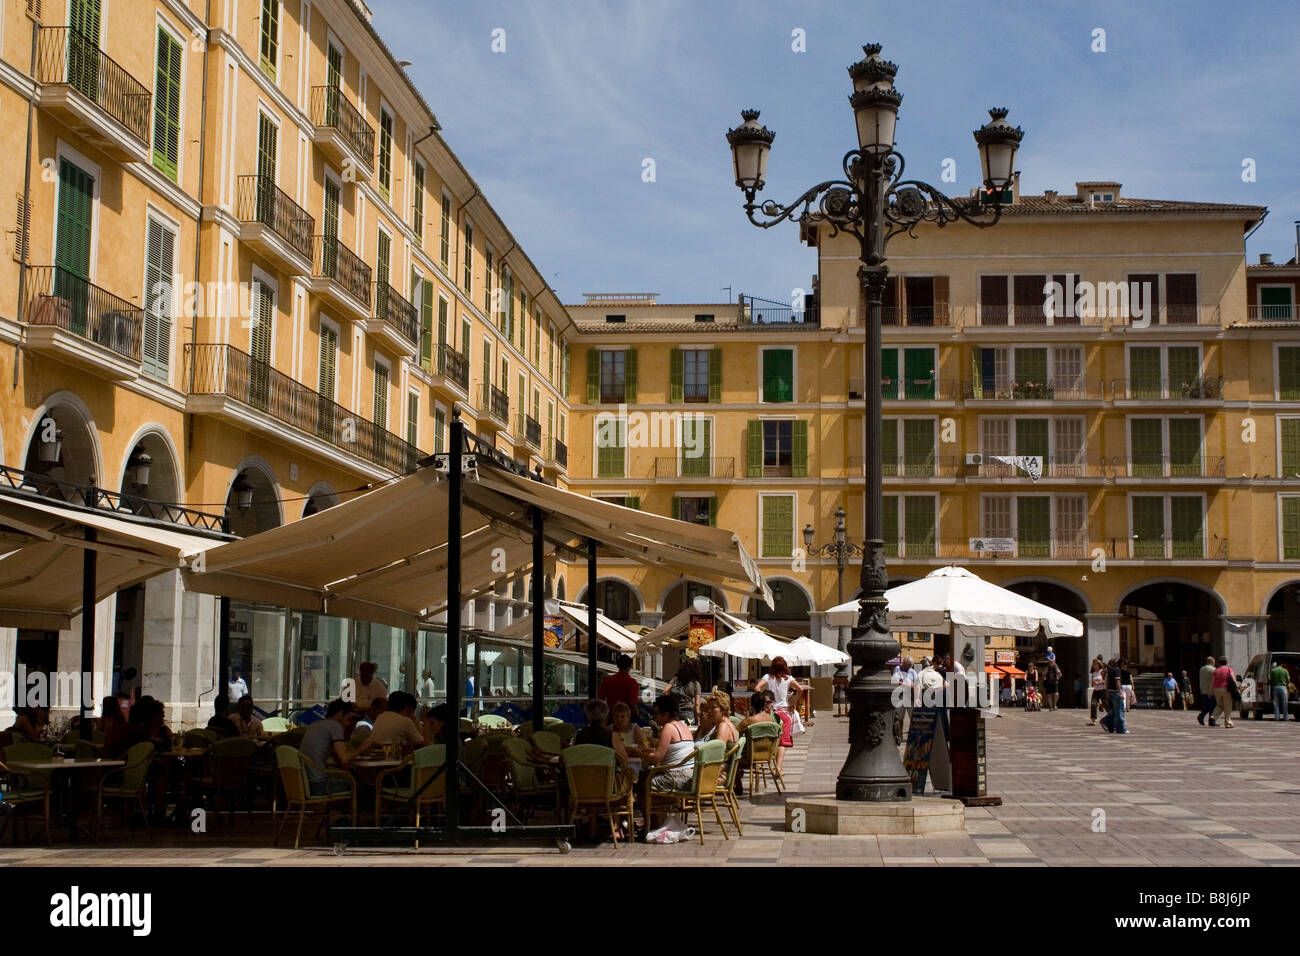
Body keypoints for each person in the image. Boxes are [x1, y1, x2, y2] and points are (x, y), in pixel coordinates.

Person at [301, 699, 373, 796]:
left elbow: (337, 755)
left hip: (305, 783)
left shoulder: (316, 725)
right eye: (348, 718)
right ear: (340, 714)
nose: (348, 723)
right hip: (319, 785)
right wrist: (362, 748)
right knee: (368, 789)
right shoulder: (335, 725)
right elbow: (344, 759)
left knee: (354, 781)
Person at [637, 695, 696, 801]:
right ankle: (660, 812)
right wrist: (646, 751)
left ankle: (649, 816)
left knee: (641, 781)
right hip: (691, 776)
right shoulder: (683, 727)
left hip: (676, 778)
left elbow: (657, 757)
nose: (654, 717)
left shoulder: (668, 728)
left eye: (656, 714)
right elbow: (672, 751)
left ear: (666, 714)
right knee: (647, 776)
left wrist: (639, 754)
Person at [668, 659, 703, 724]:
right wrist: (698, 719)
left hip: (675, 713)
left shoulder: (676, 679)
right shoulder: (696, 684)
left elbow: (664, 691)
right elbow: (697, 705)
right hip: (689, 713)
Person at [1098, 659, 1127, 734]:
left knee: (1115, 710)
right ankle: (1120, 728)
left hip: (1110, 692)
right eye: (1125, 664)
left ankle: (1110, 725)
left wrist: (1107, 691)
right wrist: (1120, 692)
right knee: (1119, 711)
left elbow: (1106, 680)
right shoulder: (1117, 670)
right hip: (1116, 692)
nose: (1125, 666)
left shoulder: (1109, 670)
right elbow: (1117, 681)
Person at [1210, 656, 1235, 728]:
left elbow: (1212, 682)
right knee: (1228, 706)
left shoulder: (1216, 671)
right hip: (1226, 689)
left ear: (1219, 663)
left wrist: (1211, 692)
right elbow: (1233, 680)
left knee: (1219, 705)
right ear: (1226, 662)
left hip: (1217, 690)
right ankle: (1228, 723)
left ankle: (1213, 717)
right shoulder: (1229, 669)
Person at [1197, 655, 1217, 726]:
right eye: (1214, 661)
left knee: (1206, 706)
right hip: (1211, 691)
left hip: (1203, 690)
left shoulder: (1202, 669)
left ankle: (1201, 716)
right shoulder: (1213, 669)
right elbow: (1214, 681)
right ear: (1212, 662)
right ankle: (1211, 721)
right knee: (1213, 706)